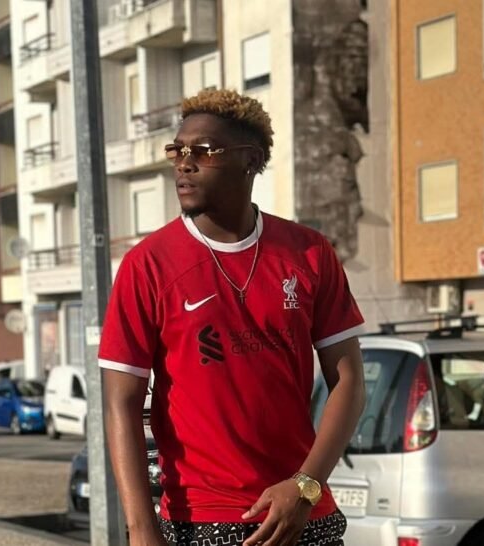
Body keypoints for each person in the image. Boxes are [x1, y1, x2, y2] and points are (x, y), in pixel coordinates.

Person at [99, 88, 367, 546]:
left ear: (251, 160)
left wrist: (306, 485)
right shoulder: (148, 265)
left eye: (203, 151)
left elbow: (349, 380)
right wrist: (141, 529)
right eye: (177, 151)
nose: (184, 164)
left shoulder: (308, 252)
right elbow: (120, 402)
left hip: (302, 515)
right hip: (200, 520)